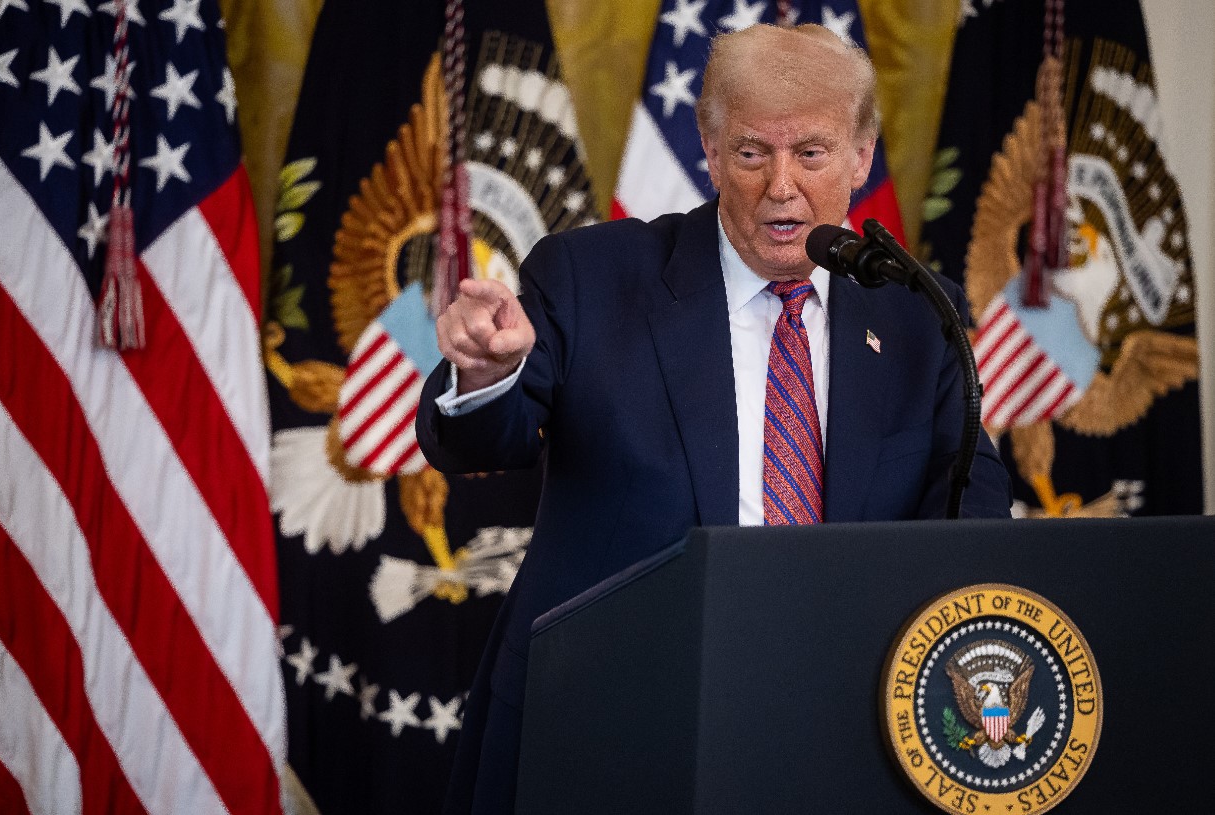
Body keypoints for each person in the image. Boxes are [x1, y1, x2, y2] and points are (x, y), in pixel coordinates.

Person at [417, 22, 1012, 813]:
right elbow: (480, 440)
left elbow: (971, 496)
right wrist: (489, 373)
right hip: (612, 726)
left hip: (840, 728)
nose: (781, 187)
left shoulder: (914, 310)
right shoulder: (593, 277)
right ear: (708, 146)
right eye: (751, 152)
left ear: (861, 156)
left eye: (812, 152)